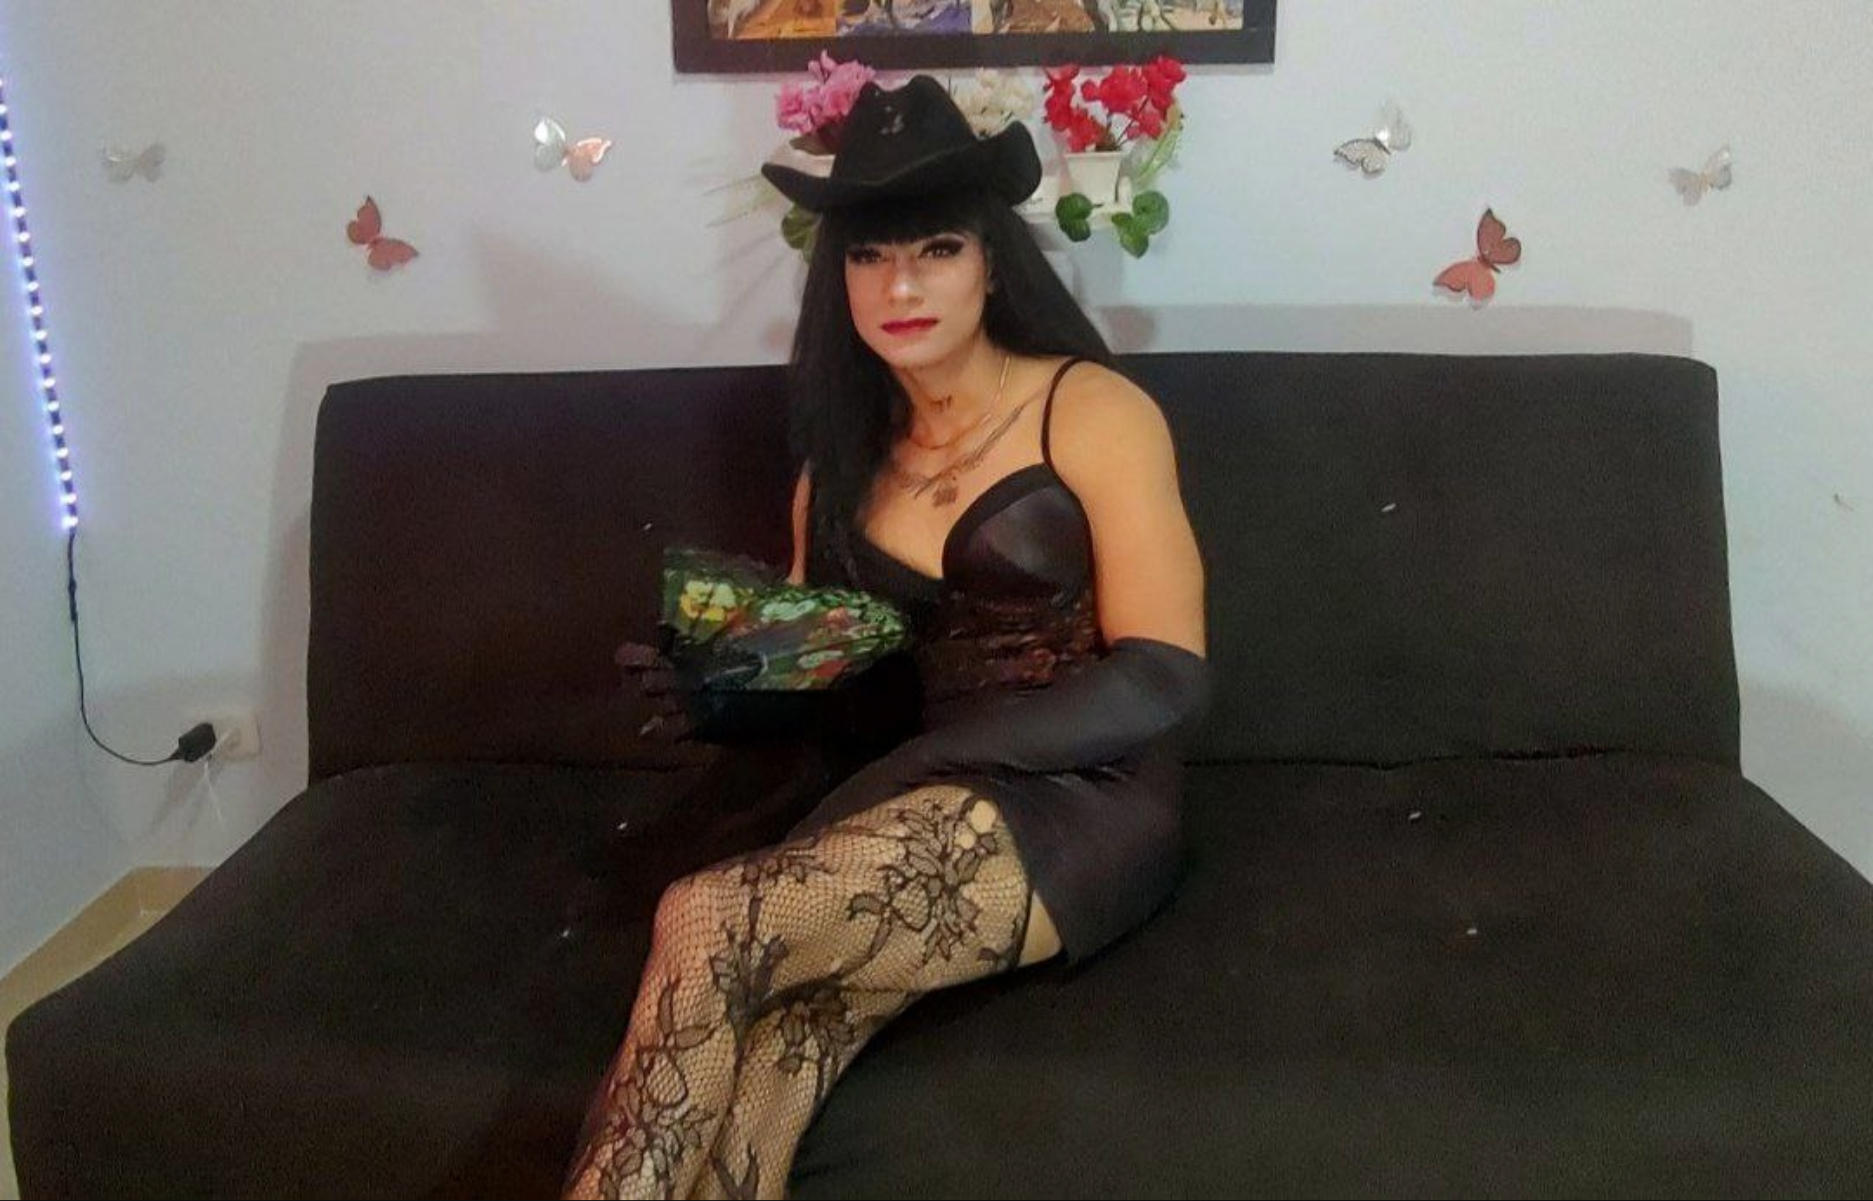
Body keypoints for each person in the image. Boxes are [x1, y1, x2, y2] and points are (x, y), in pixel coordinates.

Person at [565, 74, 1211, 1200]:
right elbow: (834, 674)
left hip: (1087, 794)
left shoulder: (1090, 410)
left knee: (709, 915)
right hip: (919, 802)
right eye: (867, 256)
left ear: (991, 261)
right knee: (778, 1035)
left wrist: (915, 768)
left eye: (935, 250)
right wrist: (724, 684)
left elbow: (1165, 676)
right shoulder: (838, 470)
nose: (899, 284)